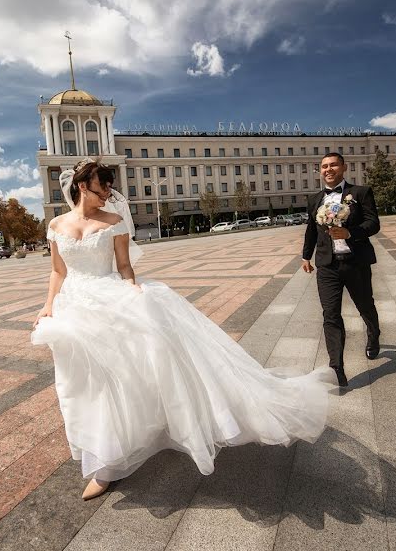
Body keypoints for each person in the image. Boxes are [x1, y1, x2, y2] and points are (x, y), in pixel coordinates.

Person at [32, 159, 331, 501]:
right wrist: (48, 305)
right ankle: (103, 455)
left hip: (110, 298)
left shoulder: (114, 222)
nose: (110, 194)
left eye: (111, 188)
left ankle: (110, 462)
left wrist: (133, 291)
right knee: (81, 383)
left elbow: (125, 266)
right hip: (75, 308)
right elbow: (58, 271)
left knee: (121, 378)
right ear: (84, 186)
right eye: (104, 188)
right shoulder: (56, 224)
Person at [301, 152, 381, 387]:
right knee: (331, 315)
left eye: (333, 164)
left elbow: (373, 223)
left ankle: (374, 334)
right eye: (324, 166)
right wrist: (306, 255)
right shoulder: (315, 199)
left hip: (356, 262)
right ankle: (336, 368)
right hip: (327, 266)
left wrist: (350, 233)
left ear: (343, 167)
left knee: (365, 305)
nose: (328, 169)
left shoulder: (360, 193)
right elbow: (310, 230)